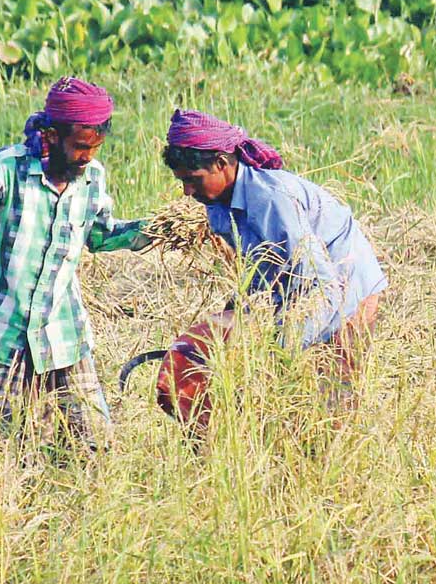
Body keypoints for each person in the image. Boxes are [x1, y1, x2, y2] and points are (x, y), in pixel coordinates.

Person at [0, 79, 146, 448]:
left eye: (95, 148)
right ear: (52, 135)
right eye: (80, 147)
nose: (88, 156)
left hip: (63, 334)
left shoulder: (92, 179)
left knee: (93, 445)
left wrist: (157, 231)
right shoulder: (6, 170)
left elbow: (101, 236)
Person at [162, 109, 388, 391]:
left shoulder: (270, 200)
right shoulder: (216, 205)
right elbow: (261, 269)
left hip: (346, 284)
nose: (186, 191)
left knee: (331, 393)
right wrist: (239, 310)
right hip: (305, 287)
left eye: (193, 179)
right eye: (182, 181)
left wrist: (280, 351)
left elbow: (323, 287)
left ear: (221, 163)